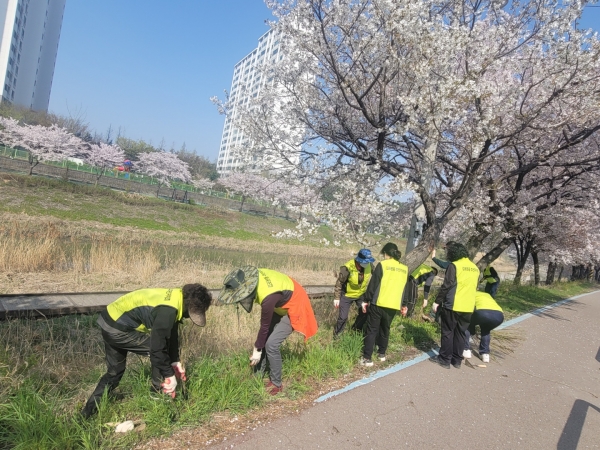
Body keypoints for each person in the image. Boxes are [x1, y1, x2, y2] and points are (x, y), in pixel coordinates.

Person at [81, 284, 212, 418]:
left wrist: (175, 362)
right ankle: (157, 393)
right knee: (159, 351)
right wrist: (169, 376)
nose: (187, 318)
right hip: (118, 329)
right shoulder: (168, 312)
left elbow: (171, 334)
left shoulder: (176, 298)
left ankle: (86, 413)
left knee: (114, 372)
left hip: (109, 321)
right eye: (189, 315)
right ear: (189, 306)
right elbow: (157, 350)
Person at [218, 266, 318, 395]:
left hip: (296, 304)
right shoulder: (252, 279)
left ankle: (276, 383)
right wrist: (258, 346)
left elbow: (264, 326)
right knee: (263, 339)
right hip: (281, 300)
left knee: (271, 344)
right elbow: (264, 331)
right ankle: (258, 374)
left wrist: (257, 349)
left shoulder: (268, 296)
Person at [429, 242, 479, 369]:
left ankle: (445, 359)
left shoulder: (454, 266)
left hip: (453, 305)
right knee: (461, 333)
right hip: (468, 307)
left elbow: (447, 285)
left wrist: (437, 301)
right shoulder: (475, 268)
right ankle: (456, 360)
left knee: (447, 332)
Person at [360, 243, 408, 367]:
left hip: (379, 303)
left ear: (386, 253)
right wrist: (404, 304)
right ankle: (382, 354)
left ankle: (367, 358)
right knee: (385, 329)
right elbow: (405, 288)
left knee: (372, 330)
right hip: (393, 305)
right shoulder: (404, 268)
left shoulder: (383, 265)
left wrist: (366, 300)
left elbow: (373, 284)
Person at [332, 249, 375, 338]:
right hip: (347, 295)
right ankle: (337, 335)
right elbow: (339, 283)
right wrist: (337, 298)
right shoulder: (347, 268)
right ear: (358, 261)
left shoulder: (369, 265)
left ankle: (355, 329)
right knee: (343, 317)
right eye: (363, 263)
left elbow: (377, 275)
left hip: (361, 295)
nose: (365, 266)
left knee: (365, 313)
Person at [463, 291, 504, 363]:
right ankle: (485, 354)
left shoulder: (471, 293)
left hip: (482, 312)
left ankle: (466, 350)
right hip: (499, 315)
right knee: (486, 330)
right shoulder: (487, 294)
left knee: (467, 325)